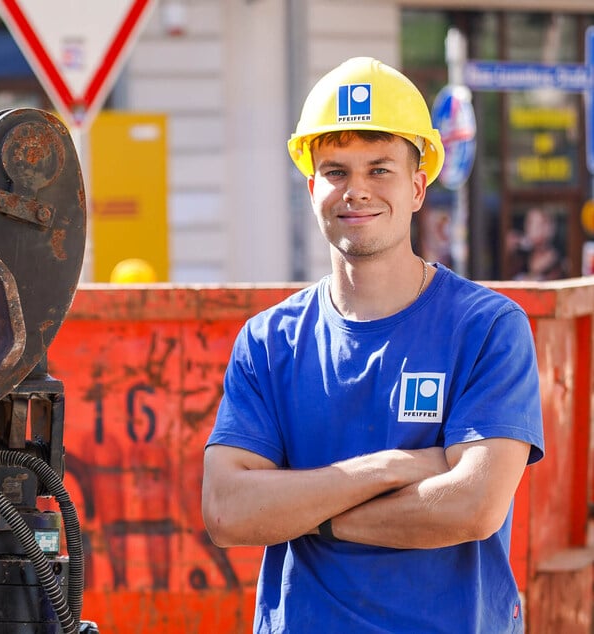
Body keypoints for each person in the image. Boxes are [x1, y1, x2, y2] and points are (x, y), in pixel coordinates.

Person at [201, 57, 544, 633]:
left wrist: (311, 515)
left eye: (379, 169)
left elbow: (474, 506)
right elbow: (228, 512)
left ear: (416, 187)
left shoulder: (487, 328)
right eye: (336, 171)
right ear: (313, 188)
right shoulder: (267, 342)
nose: (355, 191)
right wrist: (390, 467)